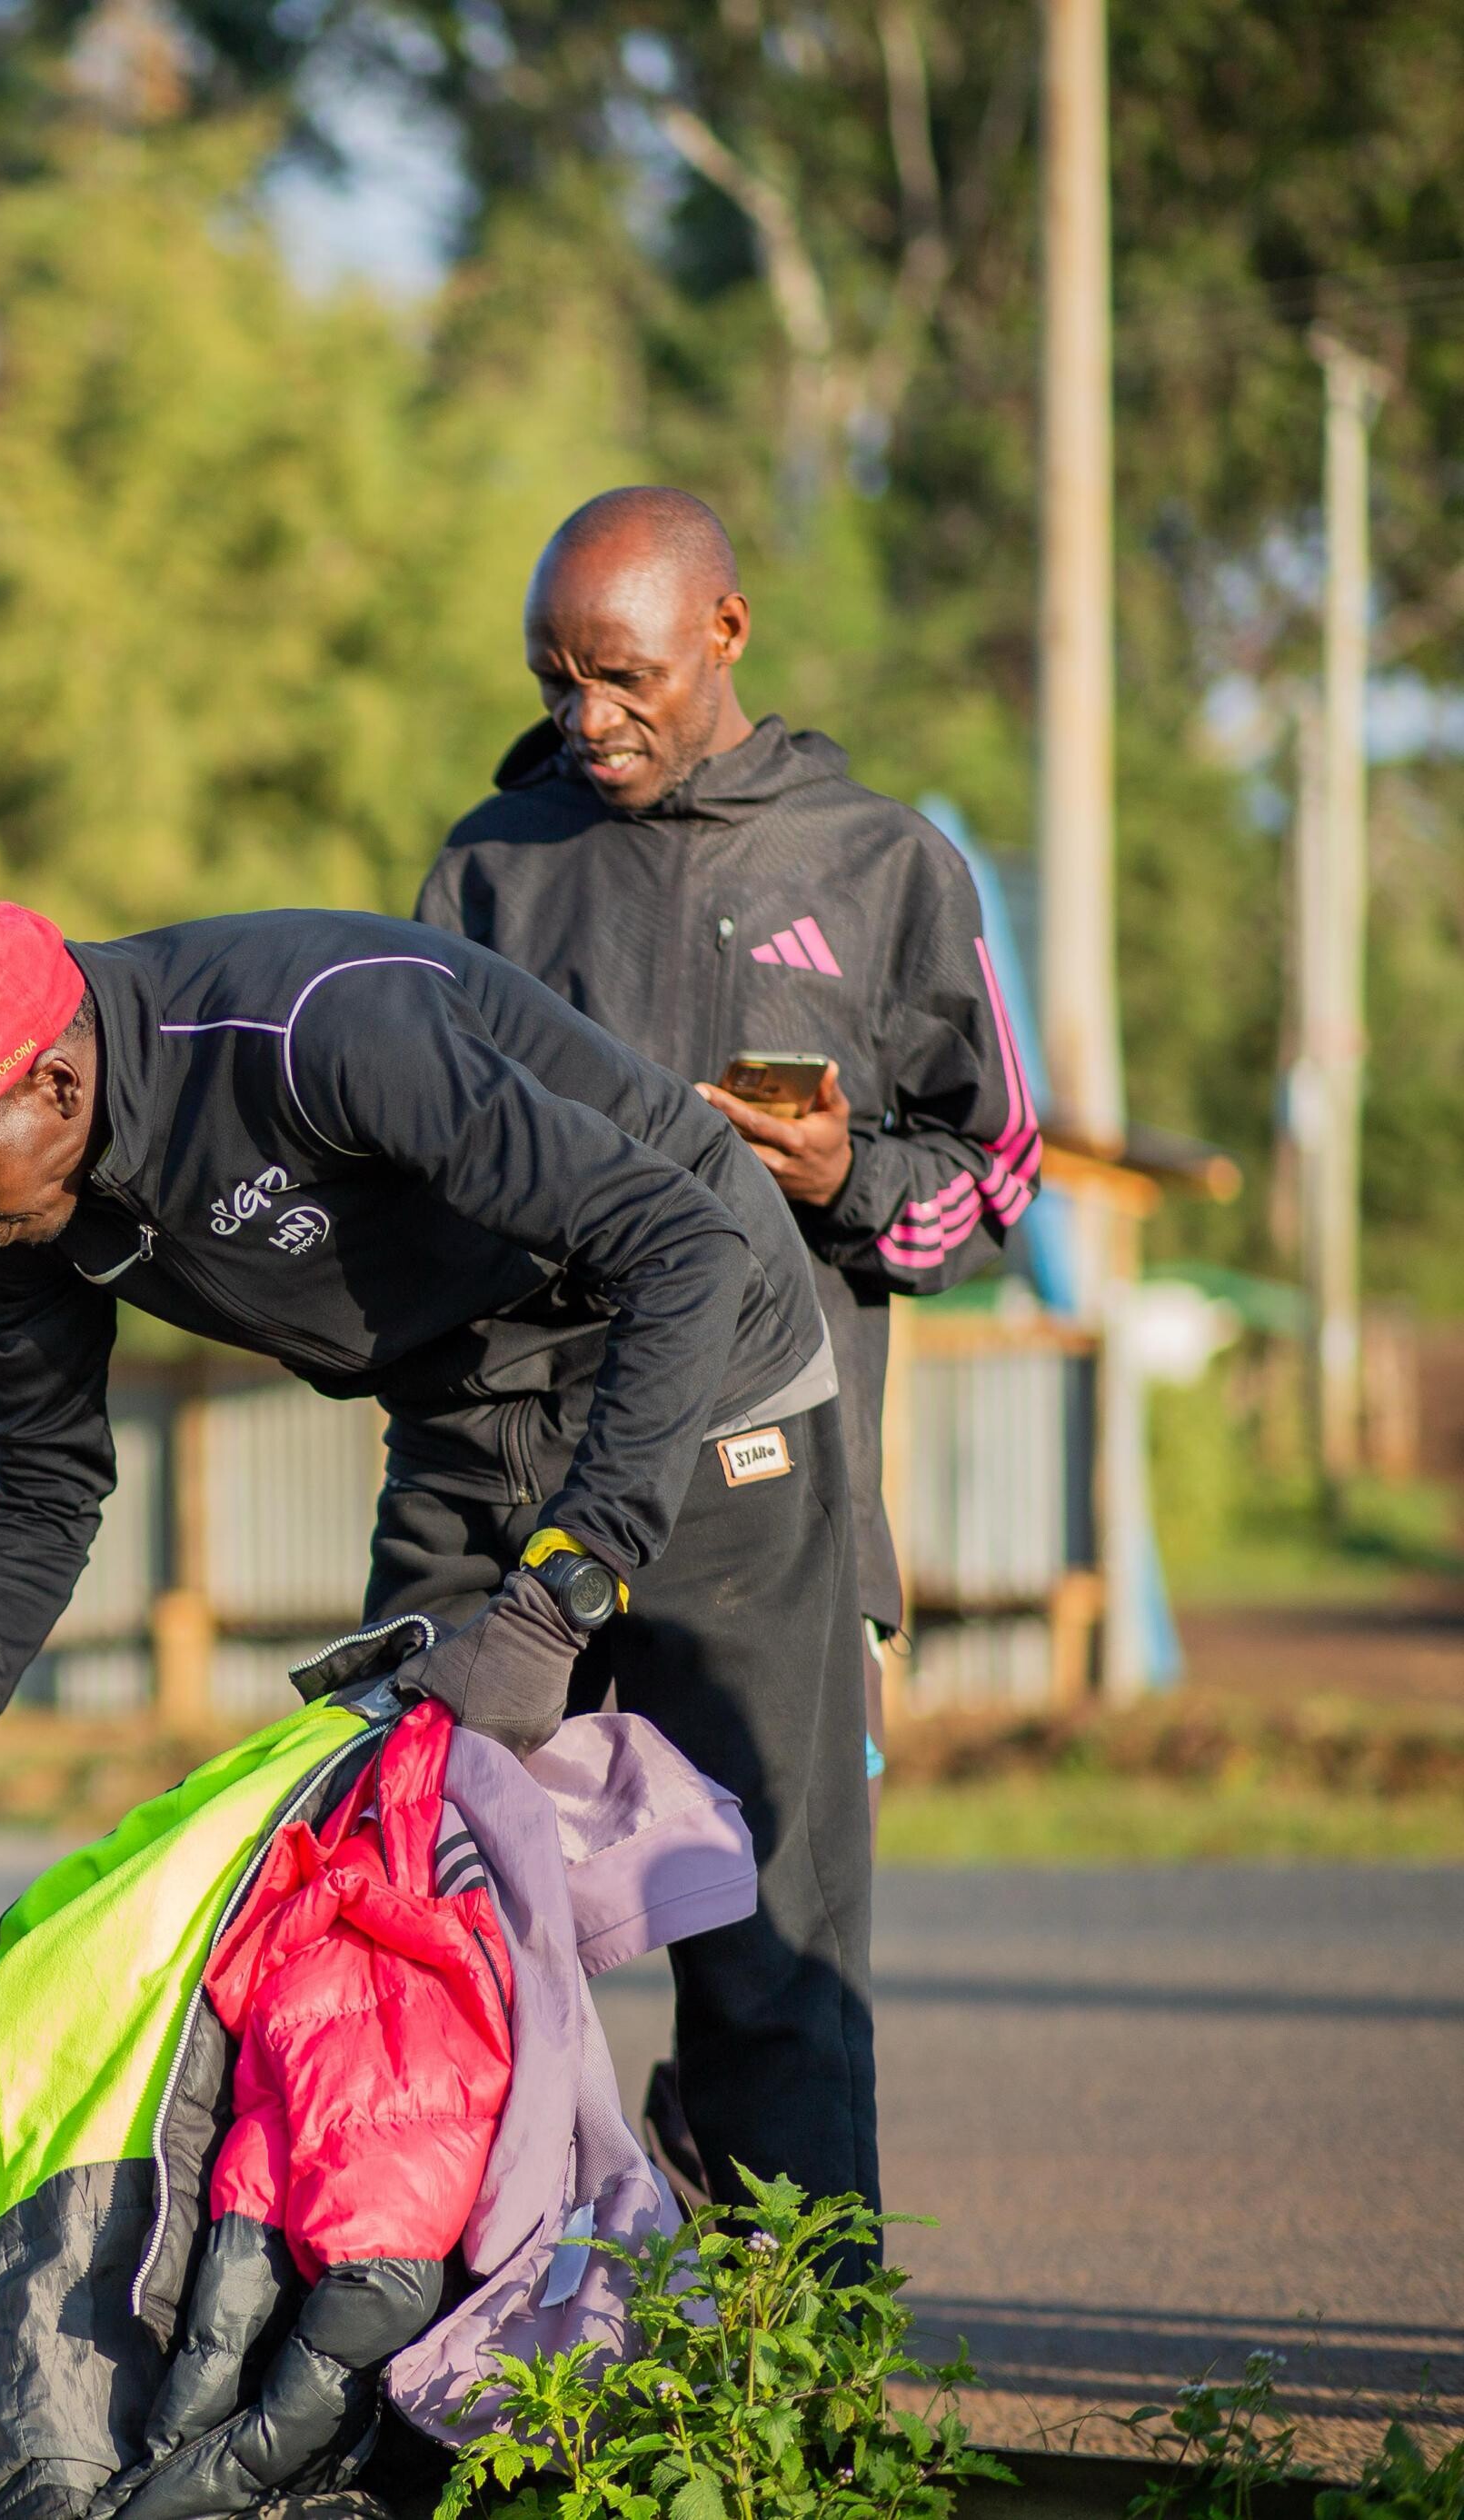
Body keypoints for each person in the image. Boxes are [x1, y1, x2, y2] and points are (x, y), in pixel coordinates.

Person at [0, 891, 883, 2226]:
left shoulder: (320, 1029)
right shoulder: (24, 1215)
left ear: (56, 1085)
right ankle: (471, 2347)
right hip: (461, 1422)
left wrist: (561, 1595)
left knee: (754, 1934)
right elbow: (45, 1489)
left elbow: (686, 1247)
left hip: (701, 1366)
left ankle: (816, 2355)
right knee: (383, 1927)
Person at [415, 487, 1036, 1825]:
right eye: (556, 681)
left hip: (783, 1519)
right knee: (469, 1920)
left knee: (773, 1937)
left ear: (728, 629)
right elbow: (417, 1174)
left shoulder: (883, 868)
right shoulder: (490, 869)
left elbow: (996, 1177)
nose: (586, 718)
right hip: (522, 1523)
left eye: (624, 679)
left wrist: (842, 1180)